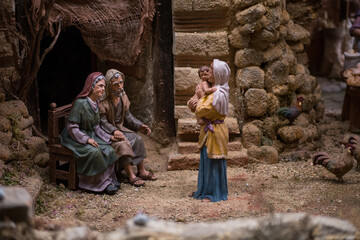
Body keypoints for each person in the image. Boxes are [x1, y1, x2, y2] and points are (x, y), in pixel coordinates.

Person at [60, 72, 120, 195]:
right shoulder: (80, 103)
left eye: (104, 86)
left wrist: (109, 137)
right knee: (95, 152)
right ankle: (95, 184)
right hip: (74, 137)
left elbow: (96, 126)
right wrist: (86, 140)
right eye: (100, 86)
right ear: (91, 87)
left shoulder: (96, 103)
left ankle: (107, 180)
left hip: (90, 135)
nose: (103, 89)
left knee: (109, 150)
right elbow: (72, 127)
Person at [99, 69, 157, 187]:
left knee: (138, 139)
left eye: (121, 82)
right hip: (107, 133)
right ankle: (130, 174)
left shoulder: (122, 96)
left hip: (120, 129)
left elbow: (128, 116)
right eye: (116, 84)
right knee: (123, 144)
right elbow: (103, 123)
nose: (120, 86)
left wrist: (140, 125)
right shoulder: (103, 101)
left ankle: (142, 170)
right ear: (109, 86)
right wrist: (114, 131)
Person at [188, 59, 230, 202]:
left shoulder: (219, 94)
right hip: (208, 132)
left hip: (215, 132)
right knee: (206, 161)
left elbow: (203, 109)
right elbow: (195, 105)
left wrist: (200, 96)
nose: (208, 73)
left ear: (217, 74)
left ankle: (214, 193)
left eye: (211, 71)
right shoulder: (211, 90)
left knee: (214, 162)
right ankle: (204, 189)